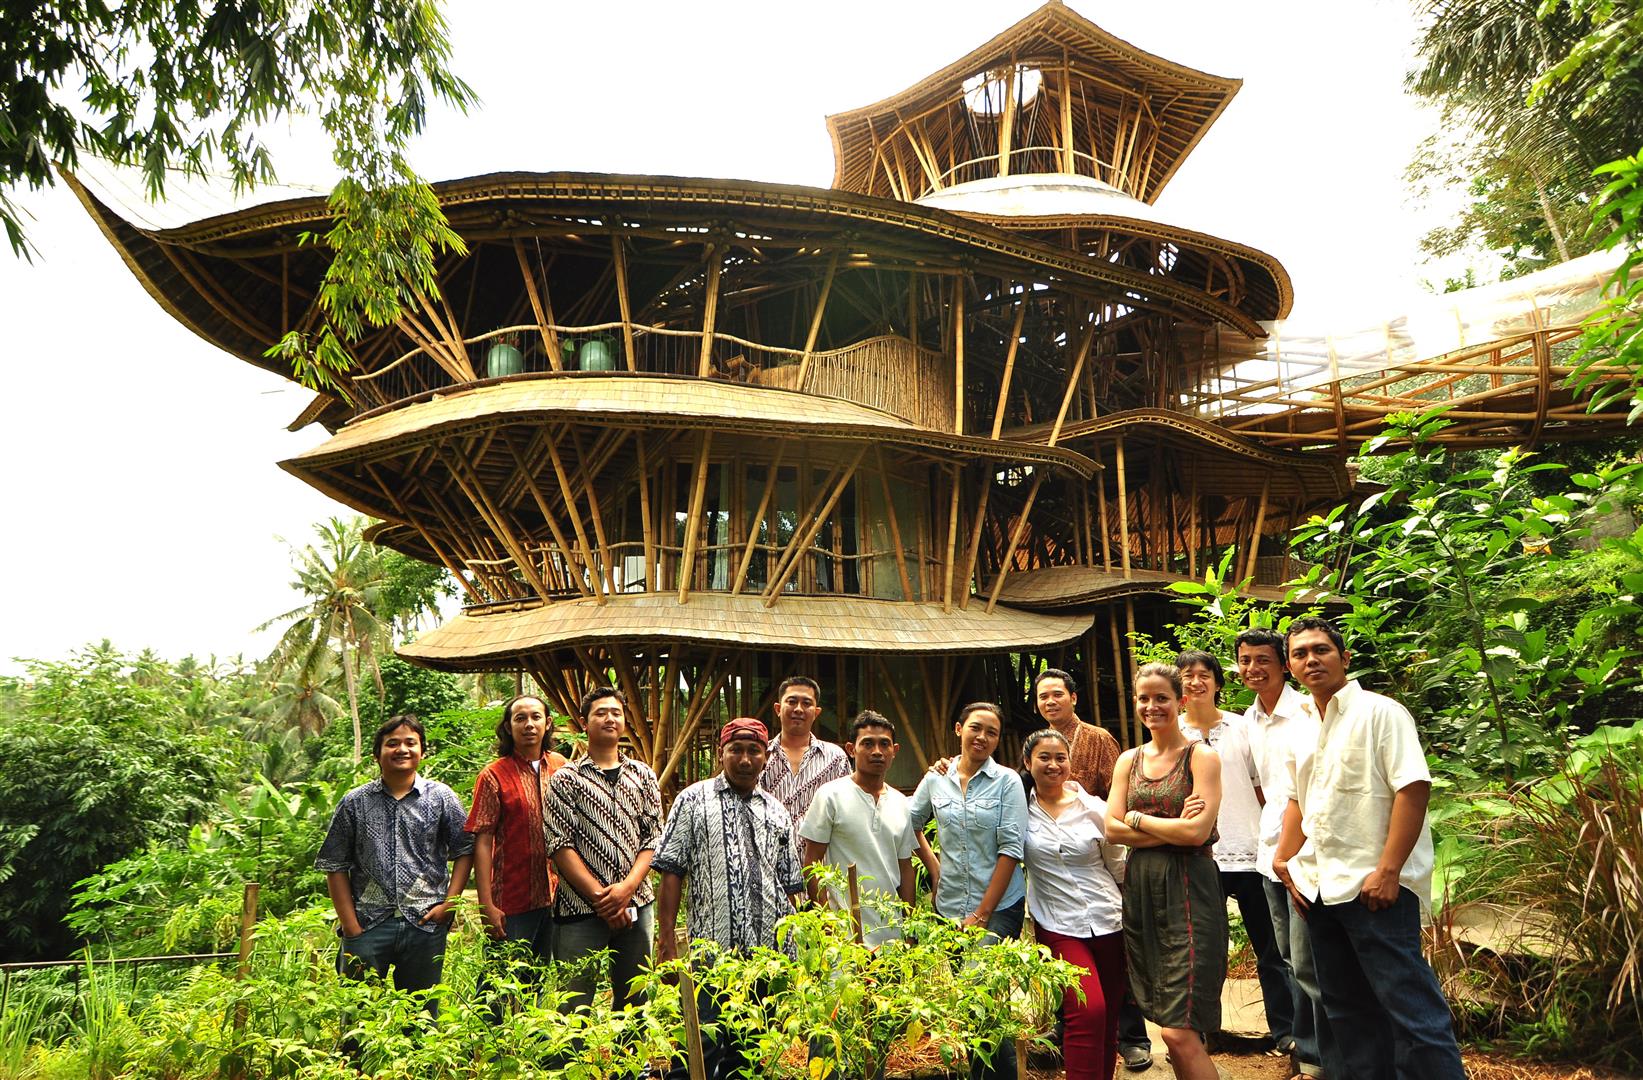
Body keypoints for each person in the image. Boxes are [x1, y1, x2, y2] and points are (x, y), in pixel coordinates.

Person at [1272, 618, 1467, 1080]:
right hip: (1318, 889)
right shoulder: (1300, 726)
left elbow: (1413, 789)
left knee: (1410, 1008)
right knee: (1346, 1010)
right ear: (1290, 666)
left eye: (1321, 649)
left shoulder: (1381, 713)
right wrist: (1284, 862)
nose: (1311, 659)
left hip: (1375, 887)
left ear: (1345, 657)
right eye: (1300, 654)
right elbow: (1297, 800)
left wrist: (1389, 869)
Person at [655, 717, 806, 1080]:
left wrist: (795, 952)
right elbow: (671, 872)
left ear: (765, 756)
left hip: (765, 958)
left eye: (753, 750)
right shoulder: (693, 800)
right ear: (721, 754)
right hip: (710, 956)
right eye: (735, 750)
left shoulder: (776, 811)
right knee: (699, 1047)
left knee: (751, 1053)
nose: (744, 759)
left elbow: (790, 886)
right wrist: (665, 941)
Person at [1105, 663, 1225, 1080]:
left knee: (1177, 1030)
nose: (1152, 706)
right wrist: (1172, 829)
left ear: (1181, 701)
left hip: (1190, 892)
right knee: (1166, 1019)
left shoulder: (1202, 756)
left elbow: (1196, 833)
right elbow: (1110, 827)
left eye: (1162, 698)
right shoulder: (1128, 760)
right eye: (1144, 698)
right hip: (1141, 894)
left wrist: (1137, 820)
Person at [1175, 650, 1294, 1058]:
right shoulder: (1170, 733)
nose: (1195, 682)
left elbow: (1263, 787)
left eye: (1203, 675)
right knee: (1203, 952)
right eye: (1187, 676)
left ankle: (1286, 1031)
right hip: (1199, 856)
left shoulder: (1243, 727)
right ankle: (1205, 1032)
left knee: (1271, 949)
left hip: (1251, 852)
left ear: (1218, 683)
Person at [316, 714, 474, 1014]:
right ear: (377, 755)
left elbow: (465, 850)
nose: (402, 749)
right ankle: (355, 1064)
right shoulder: (355, 802)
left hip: (425, 923)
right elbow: (334, 864)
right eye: (392, 743)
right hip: (368, 925)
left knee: (422, 1016)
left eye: (410, 743)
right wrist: (351, 926)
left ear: (422, 751)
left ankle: (422, 1063)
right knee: (358, 1016)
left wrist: (449, 904)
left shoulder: (441, 798)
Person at [1032, 668, 1148, 1071]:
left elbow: (1121, 797)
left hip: (1101, 873)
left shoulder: (1099, 739)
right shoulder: (1021, 804)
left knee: (1111, 1006)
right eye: (1043, 696)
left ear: (1073, 697)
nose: (1050, 701)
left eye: (1057, 694)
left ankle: (1134, 1040)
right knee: (1088, 1007)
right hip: (1059, 909)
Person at [910, 702, 1029, 1080]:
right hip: (949, 907)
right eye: (976, 728)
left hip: (998, 906)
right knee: (977, 1003)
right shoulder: (935, 779)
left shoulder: (1007, 781)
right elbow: (911, 824)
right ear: (958, 728)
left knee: (979, 993)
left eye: (992, 732)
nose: (982, 737)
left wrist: (981, 914)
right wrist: (935, 870)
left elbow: (1012, 849)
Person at [1237, 627, 1335, 1080]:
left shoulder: (1306, 711)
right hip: (1269, 855)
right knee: (1286, 956)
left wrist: (1296, 848)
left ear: (1283, 664)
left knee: (1308, 959)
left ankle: (1320, 1057)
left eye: (1262, 660)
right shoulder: (1249, 718)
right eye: (1245, 660)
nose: (1253, 668)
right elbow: (1265, 788)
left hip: (1305, 855)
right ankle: (1305, 1050)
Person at [545, 686, 663, 1013]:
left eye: (616, 713)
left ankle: (630, 1064)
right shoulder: (566, 778)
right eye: (600, 713)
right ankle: (566, 1065)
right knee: (573, 1000)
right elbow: (559, 845)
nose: (609, 718)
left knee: (635, 999)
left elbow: (652, 839)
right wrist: (603, 899)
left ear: (624, 721)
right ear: (584, 722)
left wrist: (625, 890)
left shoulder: (643, 776)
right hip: (579, 909)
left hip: (636, 903)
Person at [1020, 727, 1128, 1080]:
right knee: (1087, 1009)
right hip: (1057, 924)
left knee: (1109, 1012)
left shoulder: (1095, 809)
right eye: (1044, 757)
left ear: (1070, 763)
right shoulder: (1019, 811)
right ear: (1027, 762)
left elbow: (1116, 864)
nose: (1053, 765)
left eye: (1060, 757)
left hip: (1108, 918)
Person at [466, 693, 569, 1015]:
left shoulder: (563, 768)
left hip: (557, 896)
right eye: (520, 718)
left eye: (536, 717)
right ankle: (485, 1048)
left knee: (539, 979)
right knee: (498, 983)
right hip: (511, 898)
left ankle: (530, 1044)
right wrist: (486, 904)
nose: (529, 725)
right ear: (508, 727)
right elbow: (482, 840)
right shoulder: (494, 775)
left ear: (548, 723)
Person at [800, 709, 918, 946]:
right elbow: (812, 863)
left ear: (894, 751)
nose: (877, 751)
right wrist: (827, 923)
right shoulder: (830, 795)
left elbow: (905, 868)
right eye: (867, 744)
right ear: (851, 749)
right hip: (844, 934)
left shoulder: (900, 802)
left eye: (884, 744)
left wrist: (910, 929)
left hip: (890, 932)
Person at [759, 675, 851, 838]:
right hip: (768, 859)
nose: (799, 709)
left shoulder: (836, 758)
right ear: (777, 709)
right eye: (792, 702)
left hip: (820, 861)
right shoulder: (760, 755)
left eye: (806, 703)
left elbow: (847, 810)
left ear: (816, 712)